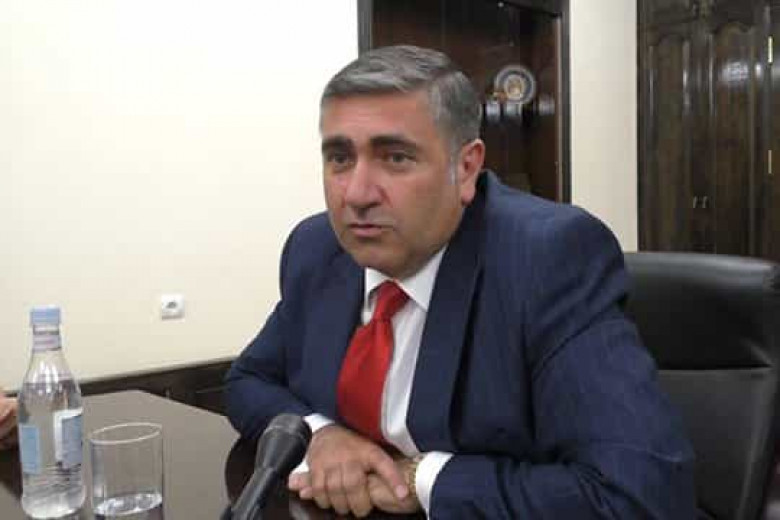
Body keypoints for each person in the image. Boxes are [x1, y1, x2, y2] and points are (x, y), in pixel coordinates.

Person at [225, 45, 695, 518]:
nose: (357, 194)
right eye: (340, 158)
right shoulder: (317, 249)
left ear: (466, 168)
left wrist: (420, 479)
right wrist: (322, 436)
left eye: (396, 158)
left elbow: (638, 493)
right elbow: (249, 379)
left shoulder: (548, 259)